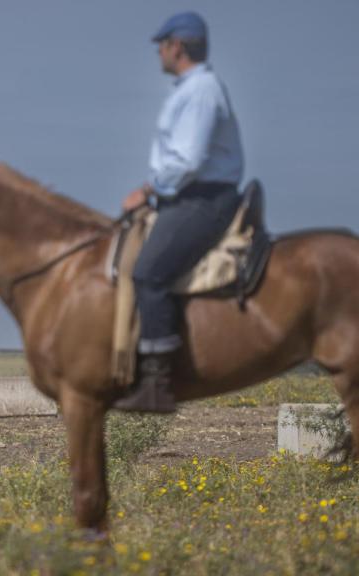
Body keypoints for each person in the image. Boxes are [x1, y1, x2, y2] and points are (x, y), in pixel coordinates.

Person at [114, 11, 245, 413]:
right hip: (186, 196)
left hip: (202, 199)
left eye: (163, 43)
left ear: (178, 46)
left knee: (148, 272)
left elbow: (188, 159)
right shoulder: (189, 88)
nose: (158, 50)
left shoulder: (202, 89)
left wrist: (148, 189)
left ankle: (159, 382)